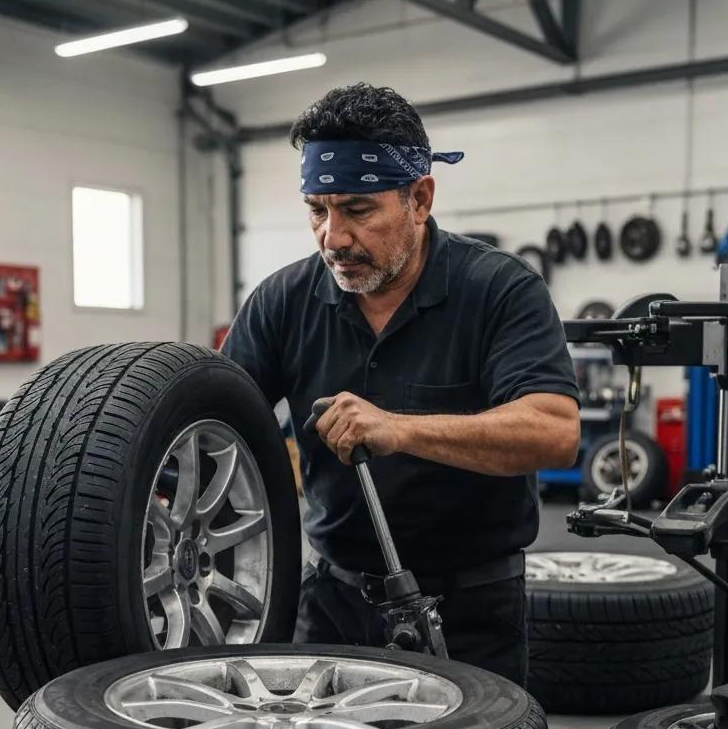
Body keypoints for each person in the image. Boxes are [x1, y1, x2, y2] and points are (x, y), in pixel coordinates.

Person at [222, 83, 580, 685]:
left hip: (471, 612)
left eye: (358, 210)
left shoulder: (501, 290)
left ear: (419, 198)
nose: (332, 238)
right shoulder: (281, 300)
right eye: (317, 209)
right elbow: (218, 425)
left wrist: (401, 429)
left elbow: (554, 432)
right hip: (331, 603)